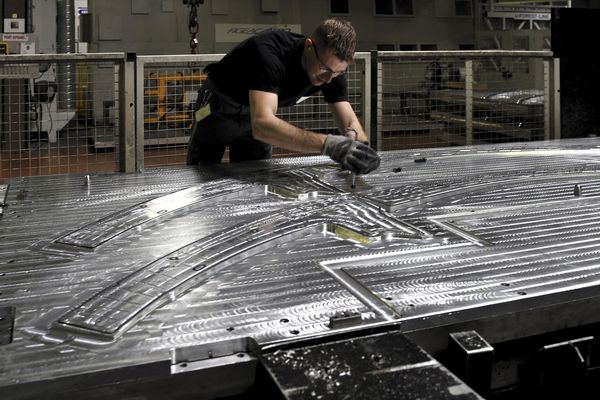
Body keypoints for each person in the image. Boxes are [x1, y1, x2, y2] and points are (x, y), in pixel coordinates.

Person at [187, 18, 380, 175]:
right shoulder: (269, 52)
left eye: (337, 73)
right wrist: (329, 145)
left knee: (256, 176)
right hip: (220, 106)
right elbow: (262, 125)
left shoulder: (331, 69)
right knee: (202, 173)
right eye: (324, 70)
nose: (329, 79)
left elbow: (348, 120)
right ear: (309, 46)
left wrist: (361, 150)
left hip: (257, 113)